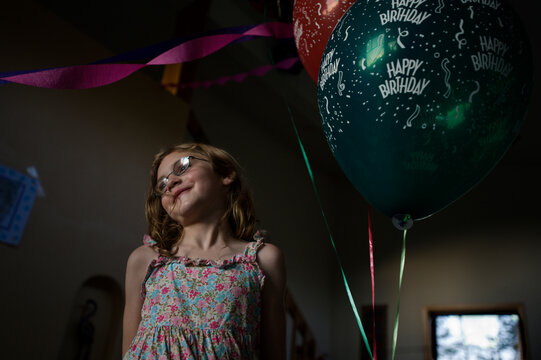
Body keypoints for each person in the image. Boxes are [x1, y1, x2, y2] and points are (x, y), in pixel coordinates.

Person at [122, 143, 286, 360]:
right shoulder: (145, 260)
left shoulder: (262, 260)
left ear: (225, 174)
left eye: (182, 167)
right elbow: (128, 350)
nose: (170, 182)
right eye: (161, 185)